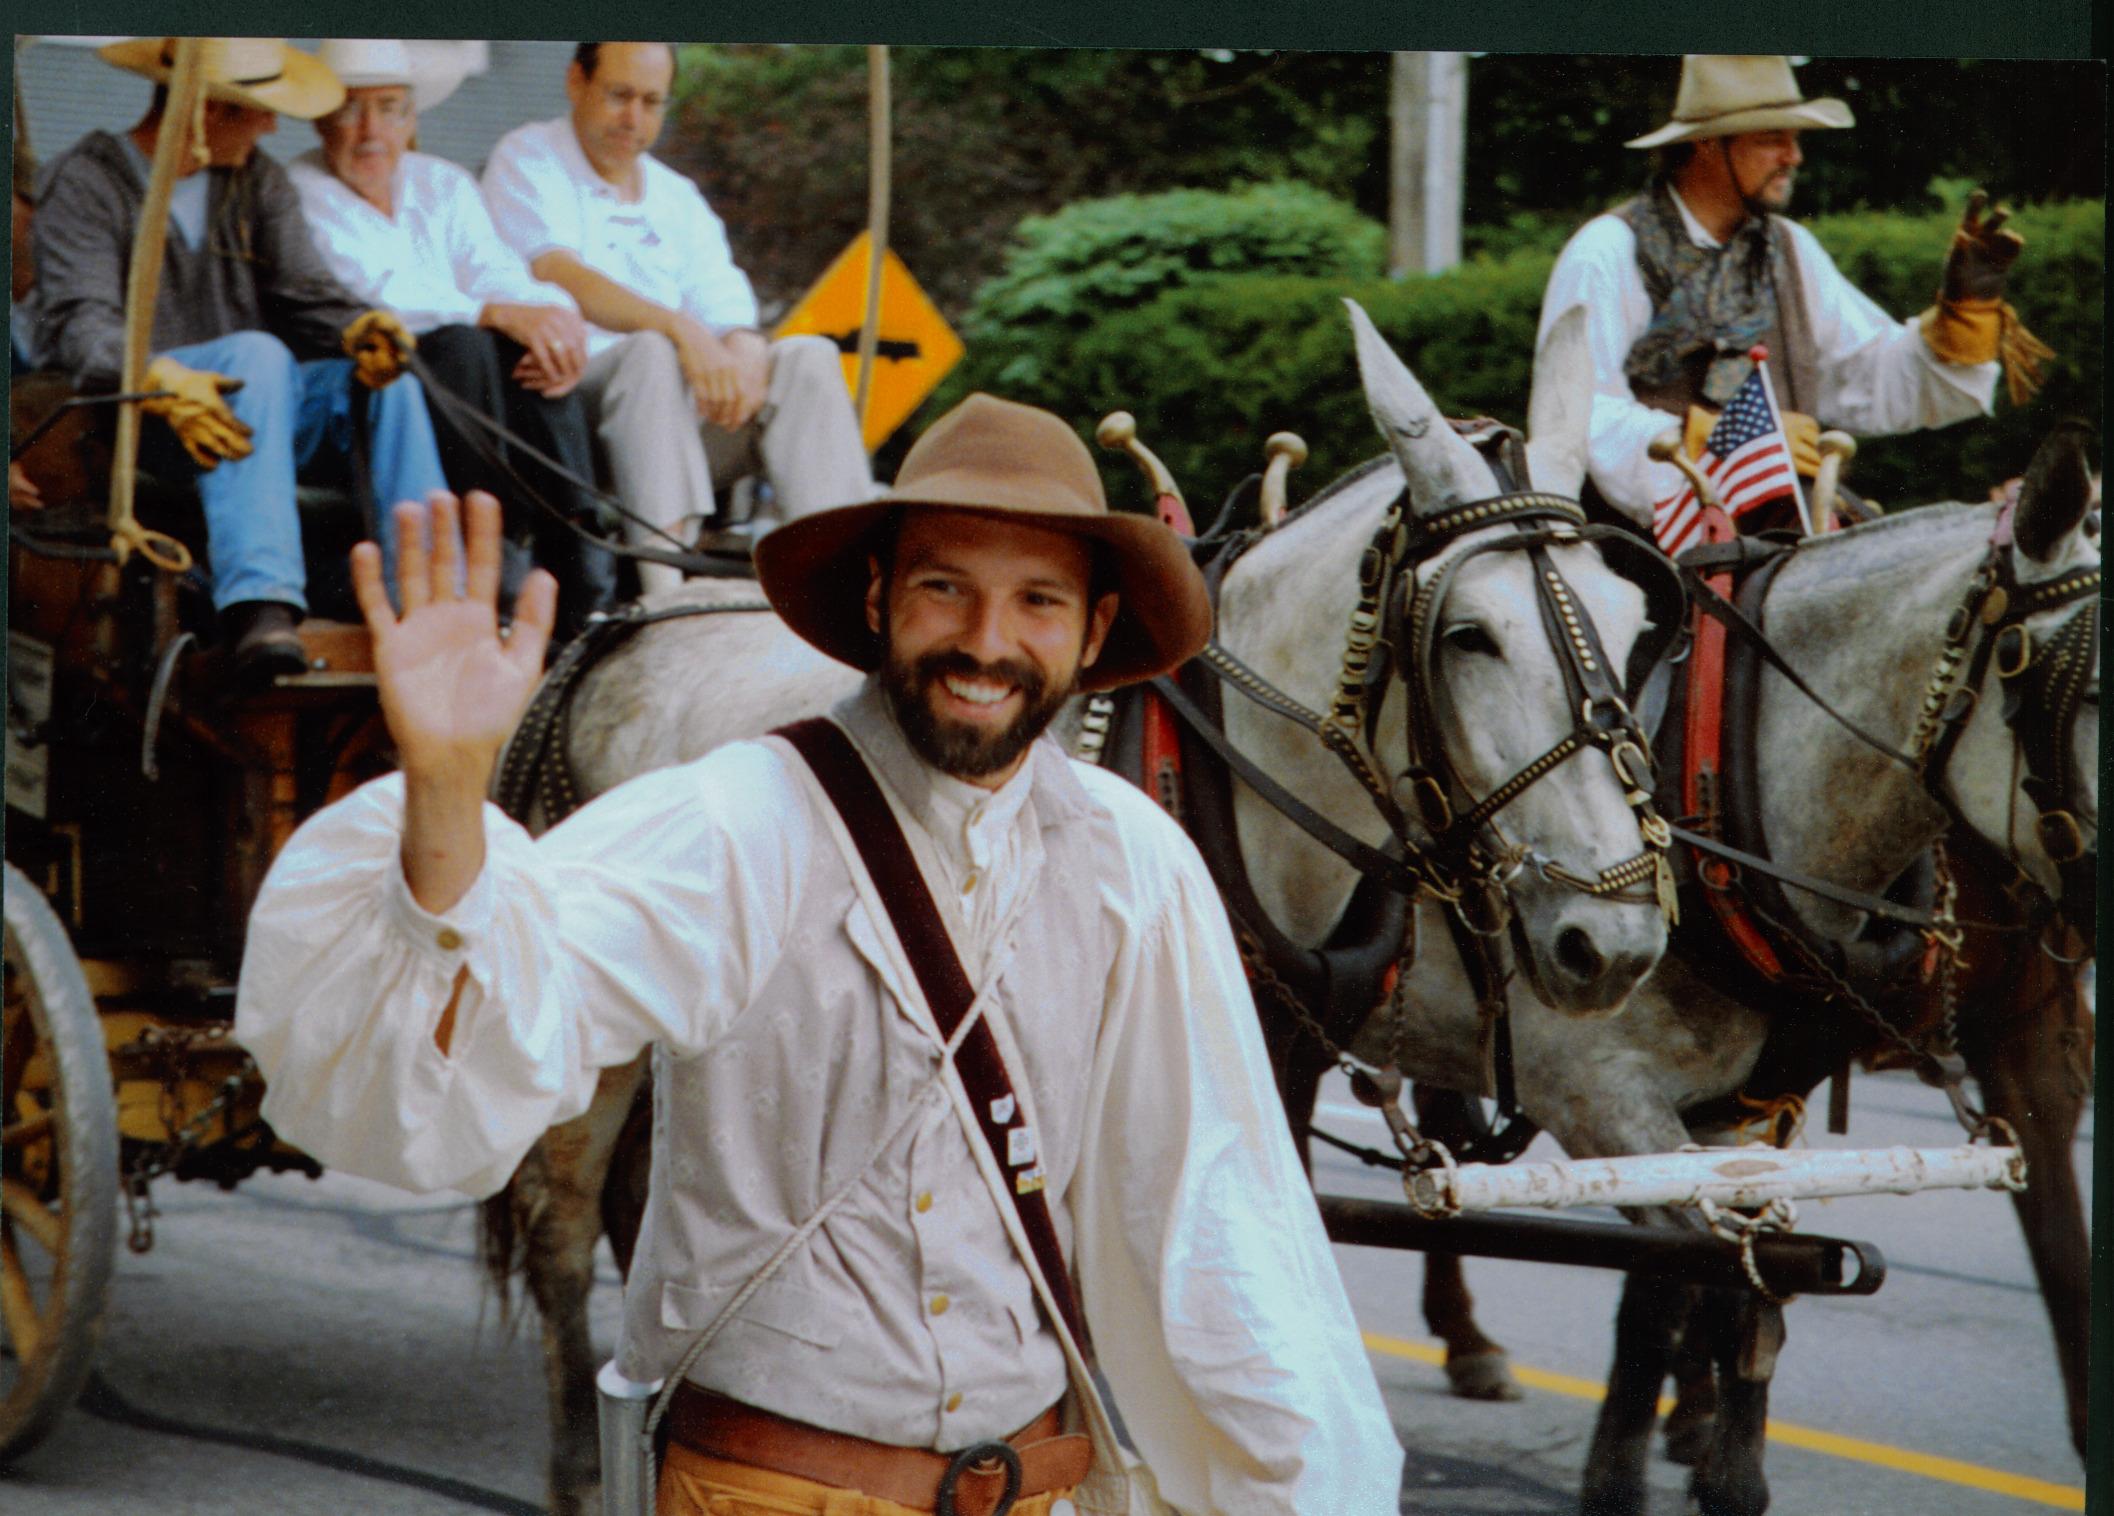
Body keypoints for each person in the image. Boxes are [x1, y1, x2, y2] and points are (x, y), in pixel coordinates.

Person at [235, 394, 1406, 1514]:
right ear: (879, 591)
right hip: (761, 1494)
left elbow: (1221, 1210)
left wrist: (1297, 1484)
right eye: (945, 587)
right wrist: (444, 785)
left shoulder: (1134, 866)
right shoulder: (738, 819)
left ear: (1093, 629)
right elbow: (493, 1014)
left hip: (1035, 1491)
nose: (986, 642)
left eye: (1037, 601)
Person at [32, 37, 449, 685]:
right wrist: (156, 375)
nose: (272, 125)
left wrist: (360, 328)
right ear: (203, 114)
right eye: (257, 110)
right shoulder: (86, 182)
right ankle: (260, 605)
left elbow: (308, 296)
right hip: (146, 424)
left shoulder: (257, 179)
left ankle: (429, 596)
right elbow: (78, 327)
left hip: (255, 412)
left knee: (386, 386)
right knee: (257, 354)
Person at [1538, 54, 2046, 530]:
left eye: (1795, 138)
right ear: (1707, 145)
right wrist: (1724, 440)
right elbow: (1577, 416)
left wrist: (1961, 322)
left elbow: (1864, 374)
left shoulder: (1791, 248)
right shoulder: (1607, 250)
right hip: (1650, 566)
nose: (1794, 156)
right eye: (1771, 139)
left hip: (1787, 547)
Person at [480, 41, 873, 594]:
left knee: (808, 357)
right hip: (571, 420)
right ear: (576, 82)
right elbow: (557, 271)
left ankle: (845, 589)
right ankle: (667, 590)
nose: (633, 118)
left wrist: (745, 351)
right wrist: (678, 328)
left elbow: (726, 303)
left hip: (678, 430)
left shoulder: (675, 196)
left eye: (651, 102)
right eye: (619, 96)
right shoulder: (528, 157)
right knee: (650, 352)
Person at [291, 39, 618, 637]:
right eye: (349, 110)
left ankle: (581, 567)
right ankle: (493, 559)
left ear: (412, 117)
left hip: (471, 390)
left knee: (536, 347)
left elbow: (495, 267)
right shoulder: (301, 191)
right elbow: (374, 292)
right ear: (320, 119)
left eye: (389, 108)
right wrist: (495, 311)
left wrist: (551, 321)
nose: (370, 131)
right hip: (367, 386)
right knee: (459, 342)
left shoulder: (440, 184)